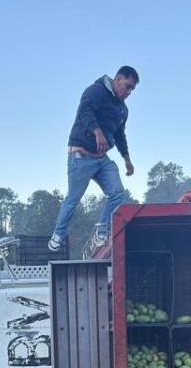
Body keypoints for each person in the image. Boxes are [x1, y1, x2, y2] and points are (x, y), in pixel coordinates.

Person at [49, 65, 139, 253]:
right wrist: (97, 132)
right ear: (118, 79)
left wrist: (127, 159)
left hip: (101, 160)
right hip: (80, 157)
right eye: (128, 86)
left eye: (132, 89)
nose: (129, 92)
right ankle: (58, 233)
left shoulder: (122, 109)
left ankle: (102, 230)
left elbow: (120, 135)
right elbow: (85, 111)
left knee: (117, 193)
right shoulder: (96, 90)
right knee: (73, 199)